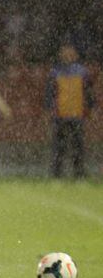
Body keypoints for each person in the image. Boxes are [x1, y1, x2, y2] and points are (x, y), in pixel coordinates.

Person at [45, 43, 94, 178]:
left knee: (78, 147)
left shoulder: (82, 72)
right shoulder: (54, 72)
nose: (67, 54)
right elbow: (50, 94)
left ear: (76, 54)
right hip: (60, 115)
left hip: (77, 115)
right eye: (65, 52)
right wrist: (49, 110)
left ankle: (78, 174)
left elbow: (88, 93)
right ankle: (56, 174)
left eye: (70, 52)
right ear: (61, 54)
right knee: (59, 148)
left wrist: (90, 108)